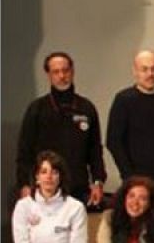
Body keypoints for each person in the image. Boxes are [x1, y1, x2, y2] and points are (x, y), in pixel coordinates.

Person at [14, 51, 106, 205]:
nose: (62, 76)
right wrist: (24, 184)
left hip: (79, 188)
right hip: (45, 189)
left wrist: (98, 182)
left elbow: (95, 149)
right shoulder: (37, 109)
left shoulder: (86, 108)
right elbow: (25, 151)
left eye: (65, 70)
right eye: (56, 72)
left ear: (72, 71)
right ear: (48, 74)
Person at [105, 50, 154, 191]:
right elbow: (114, 141)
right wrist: (128, 175)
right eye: (144, 69)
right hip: (135, 179)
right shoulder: (123, 100)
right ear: (135, 71)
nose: (150, 74)